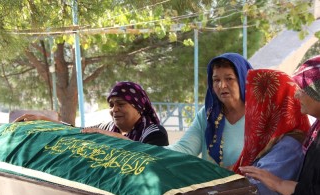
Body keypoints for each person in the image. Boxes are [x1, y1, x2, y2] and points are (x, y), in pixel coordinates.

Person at [240, 56, 320, 195]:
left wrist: (278, 183)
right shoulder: (314, 132)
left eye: (304, 88)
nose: (297, 94)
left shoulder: (290, 144)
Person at [14, 81, 169, 146]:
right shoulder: (108, 127)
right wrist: (44, 121)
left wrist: (110, 137)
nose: (114, 109)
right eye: (111, 105)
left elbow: (148, 158)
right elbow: (77, 131)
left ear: (139, 107)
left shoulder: (154, 133)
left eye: (121, 104)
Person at [165, 53, 252, 168]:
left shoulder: (260, 117)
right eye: (216, 80)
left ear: (243, 80)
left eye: (229, 79)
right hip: (213, 185)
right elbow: (184, 149)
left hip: (249, 186)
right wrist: (151, 152)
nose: (222, 85)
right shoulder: (208, 114)